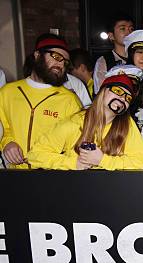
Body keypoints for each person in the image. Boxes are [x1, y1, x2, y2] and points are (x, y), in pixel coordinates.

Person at [28, 73, 143, 170]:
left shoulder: (127, 125)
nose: (122, 98)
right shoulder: (76, 122)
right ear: (103, 91)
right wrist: (74, 163)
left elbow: (141, 161)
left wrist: (102, 160)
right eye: (117, 91)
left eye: (128, 98)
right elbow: (35, 155)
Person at [0, 34, 82, 169]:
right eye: (56, 57)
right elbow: (3, 127)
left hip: (53, 178)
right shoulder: (7, 92)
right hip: (13, 177)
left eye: (65, 62)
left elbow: (74, 145)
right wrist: (7, 143)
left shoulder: (70, 100)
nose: (60, 64)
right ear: (37, 55)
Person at [93, 13, 135, 94]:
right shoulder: (104, 61)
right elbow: (100, 93)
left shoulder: (140, 57)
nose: (128, 33)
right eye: (123, 29)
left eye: (131, 29)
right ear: (111, 36)